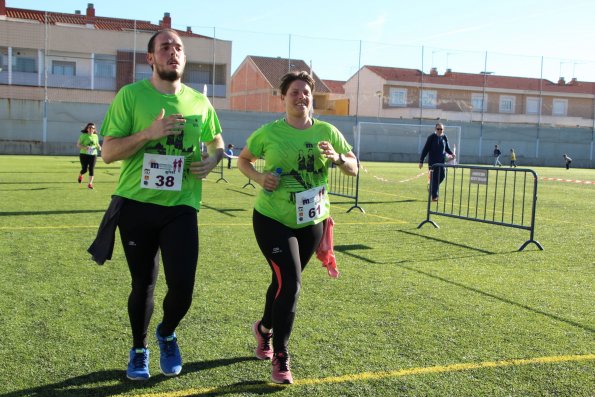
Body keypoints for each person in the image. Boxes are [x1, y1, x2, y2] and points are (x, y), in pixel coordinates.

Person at [88, 29, 224, 381]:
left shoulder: (199, 102)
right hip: (137, 206)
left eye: (178, 47)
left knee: (183, 288)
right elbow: (107, 153)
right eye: (164, 47)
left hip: (181, 207)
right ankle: (139, 348)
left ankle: (166, 332)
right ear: (150, 58)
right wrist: (149, 133)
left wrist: (212, 160)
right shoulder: (130, 96)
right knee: (143, 284)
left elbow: (218, 143)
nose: (172, 52)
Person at [237, 71, 358, 384]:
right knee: (290, 283)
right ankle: (281, 355)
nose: (301, 97)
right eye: (294, 92)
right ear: (283, 97)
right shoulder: (269, 133)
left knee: (283, 283)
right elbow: (244, 160)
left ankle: (263, 328)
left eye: (305, 92)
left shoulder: (328, 132)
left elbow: (353, 168)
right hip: (272, 219)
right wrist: (260, 178)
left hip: (311, 221)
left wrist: (339, 159)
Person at [418, 123, 455, 202]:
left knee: (442, 177)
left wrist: (452, 154)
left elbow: (447, 149)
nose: (439, 130)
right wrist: (421, 161)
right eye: (438, 129)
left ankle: (432, 188)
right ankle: (434, 196)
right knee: (435, 179)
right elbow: (425, 150)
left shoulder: (444, 137)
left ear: (443, 130)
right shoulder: (431, 137)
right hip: (433, 163)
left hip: (441, 162)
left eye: (441, 129)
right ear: (435, 129)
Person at [76, 122, 101, 189]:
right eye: (89, 127)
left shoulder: (96, 136)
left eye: (92, 128)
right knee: (84, 169)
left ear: (94, 129)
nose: (91, 129)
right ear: (87, 128)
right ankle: (81, 175)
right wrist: (85, 148)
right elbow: (78, 144)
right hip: (84, 154)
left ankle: (90, 184)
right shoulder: (83, 135)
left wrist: (99, 147)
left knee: (91, 169)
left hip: (93, 154)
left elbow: (97, 144)